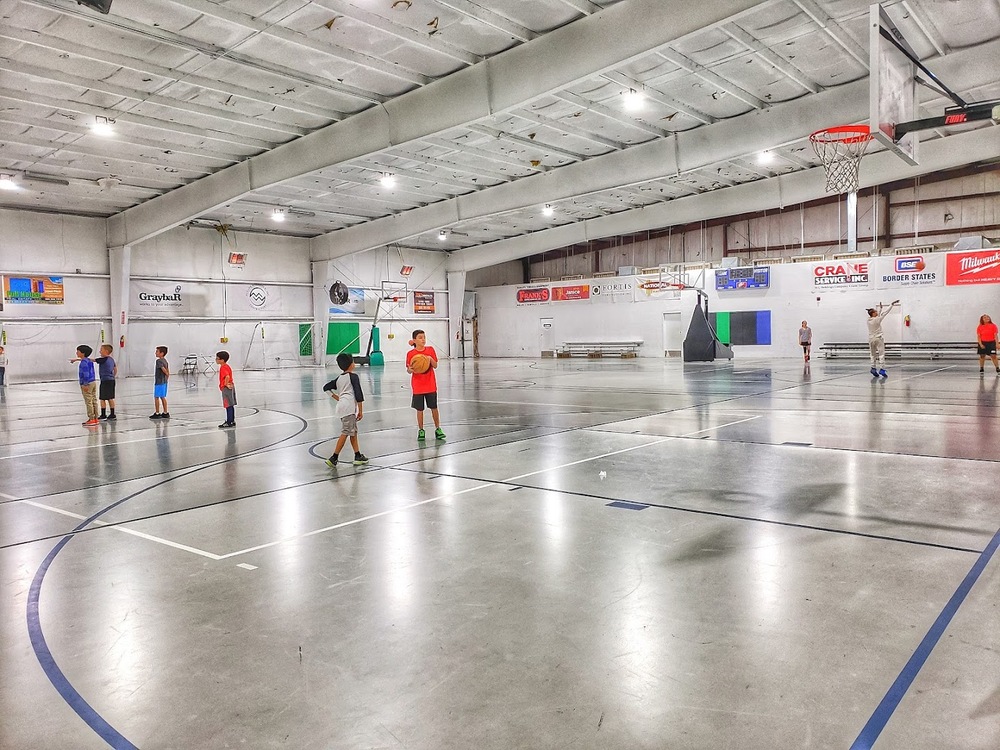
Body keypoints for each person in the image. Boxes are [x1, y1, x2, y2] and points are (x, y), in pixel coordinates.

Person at [322, 352, 369, 466]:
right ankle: (334, 457)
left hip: (342, 408)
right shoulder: (353, 377)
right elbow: (358, 394)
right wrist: (361, 411)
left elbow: (326, 388)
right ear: (351, 364)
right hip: (349, 408)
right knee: (346, 432)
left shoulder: (339, 378)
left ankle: (358, 455)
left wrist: (337, 397)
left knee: (353, 432)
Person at [406, 329, 445, 441]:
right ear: (414, 340)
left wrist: (429, 359)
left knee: (434, 408)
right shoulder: (411, 354)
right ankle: (421, 430)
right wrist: (410, 369)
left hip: (430, 385)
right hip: (418, 386)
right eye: (420, 337)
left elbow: (435, 365)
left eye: (424, 337)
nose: (423, 339)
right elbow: (409, 370)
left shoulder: (430, 350)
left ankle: (438, 429)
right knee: (420, 409)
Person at [866, 300, 900, 378]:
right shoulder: (877, 319)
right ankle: (882, 369)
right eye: (875, 311)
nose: (877, 312)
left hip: (871, 339)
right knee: (881, 354)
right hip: (878, 338)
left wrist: (880, 309)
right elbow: (885, 313)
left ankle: (873, 368)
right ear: (873, 313)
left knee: (872, 354)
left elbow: (877, 314)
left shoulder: (868, 320)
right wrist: (891, 305)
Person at [70, 344, 99, 426]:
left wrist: (85, 384)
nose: (76, 353)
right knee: (94, 400)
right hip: (93, 382)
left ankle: (91, 418)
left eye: (78, 351)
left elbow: (86, 374)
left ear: (82, 353)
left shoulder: (83, 363)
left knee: (88, 401)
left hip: (87, 383)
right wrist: (75, 360)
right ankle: (96, 418)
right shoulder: (89, 360)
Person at [95, 344, 117, 420]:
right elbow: (115, 369)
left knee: (102, 398)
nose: (100, 351)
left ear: (106, 351)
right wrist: (113, 376)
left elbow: (93, 360)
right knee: (110, 397)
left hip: (105, 380)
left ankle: (103, 414)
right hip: (111, 380)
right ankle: (112, 413)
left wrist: (79, 359)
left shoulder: (104, 359)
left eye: (101, 350)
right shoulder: (111, 359)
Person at [216, 350, 237, 428]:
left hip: (226, 388)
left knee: (228, 405)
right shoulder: (227, 366)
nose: (216, 360)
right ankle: (232, 420)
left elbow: (227, 376)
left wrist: (225, 384)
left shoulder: (223, 367)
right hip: (231, 386)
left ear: (222, 360)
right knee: (231, 404)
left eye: (217, 358)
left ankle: (229, 421)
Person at [150, 346, 170, 419]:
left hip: (159, 382)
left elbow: (163, 369)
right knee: (163, 397)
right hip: (164, 381)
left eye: (157, 351)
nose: (155, 353)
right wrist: (167, 377)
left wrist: (166, 373)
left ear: (162, 353)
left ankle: (157, 412)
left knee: (156, 397)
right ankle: (165, 412)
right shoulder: (165, 360)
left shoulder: (159, 361)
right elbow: (167, 369)